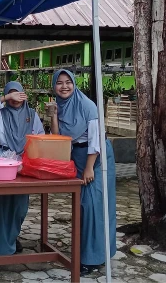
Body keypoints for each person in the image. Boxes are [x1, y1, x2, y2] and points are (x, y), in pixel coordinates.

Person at [50, 69, 117, 276]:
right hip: (77, 157)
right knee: (82, 208)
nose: (64, 86)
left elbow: (96, 139)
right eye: (59, 83)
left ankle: (94, 259)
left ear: (74, 83)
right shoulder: (60, 106)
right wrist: (53, 115)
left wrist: (89, 167)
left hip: (95, 158)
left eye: (68, 82)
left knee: (93, 207)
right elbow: (58, 137)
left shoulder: (87, 105)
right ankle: (86, 252)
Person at [0, 81, 45, 256]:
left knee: (19, 205)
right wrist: (7, 97)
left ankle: (11, 237)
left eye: (18, 93)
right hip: (2, 159)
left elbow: (40, 137)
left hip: (24, 160)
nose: (16, 98)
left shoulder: (31, 114)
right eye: (11, 94)